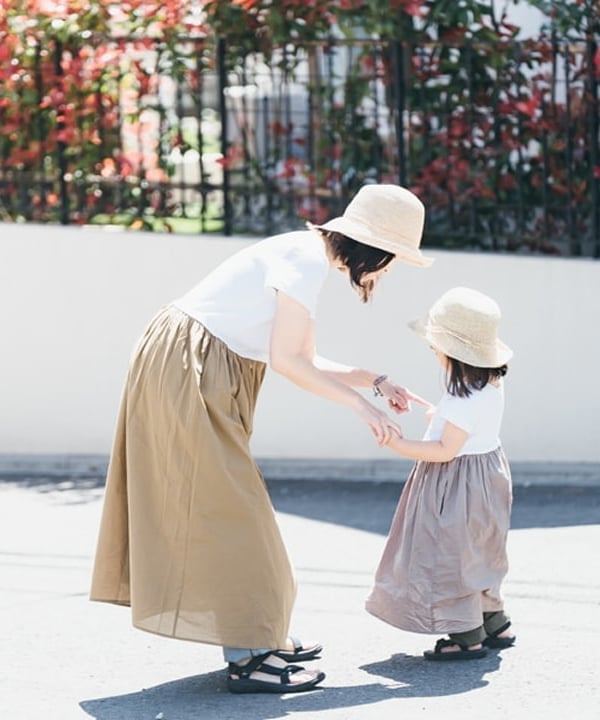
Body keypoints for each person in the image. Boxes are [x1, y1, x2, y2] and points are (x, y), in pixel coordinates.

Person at [90, 183, 433, 694]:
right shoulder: (305, 262)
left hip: (197, 363)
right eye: (393, 261)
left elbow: (306, 357)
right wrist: (362, 407)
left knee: (226, 503)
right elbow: (289, 362)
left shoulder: (304, 255)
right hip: (191, 367)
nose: (387, 272)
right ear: (375, 249)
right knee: (234, 508)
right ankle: (250, 655)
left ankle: (255, 633)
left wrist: (376, 381)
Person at [365, 286, 516, 661]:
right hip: (488, 477)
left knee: (446, 554)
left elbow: (444, 450)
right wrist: (439, 413)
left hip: (454, 484)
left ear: (452, 353)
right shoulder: (490, 385)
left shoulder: (462, 399)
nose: (434, 353)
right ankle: (494, 620)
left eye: (435, 348)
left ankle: (466, 636)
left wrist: (396, 444)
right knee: (480, 550)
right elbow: (468, 429)